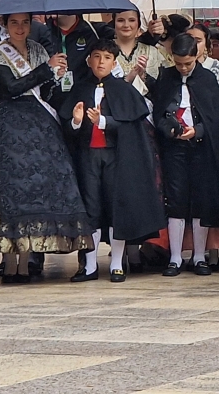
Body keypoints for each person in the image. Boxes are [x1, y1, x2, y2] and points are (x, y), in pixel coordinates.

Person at [0, 13, 92, 281]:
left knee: (34, 190)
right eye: (13, 23)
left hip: (39, 126)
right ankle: (9, 260)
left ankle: (25, 262)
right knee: (8, 188)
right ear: (4, 24)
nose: (20, 28)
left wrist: (56, 76)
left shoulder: (38, 49)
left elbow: (45, 91)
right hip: (7, 124)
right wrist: (45, 70)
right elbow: (10, 88)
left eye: (24, 23)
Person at [62, 39, 166, 283]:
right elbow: (68, 129)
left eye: (107, 57)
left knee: (115, 207)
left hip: (115, 157)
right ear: (89, 60)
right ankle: (89, 265)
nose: (101, 62)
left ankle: (117, 263)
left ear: (114, 61)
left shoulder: (124, 89)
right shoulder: (79, 89)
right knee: (91, 209)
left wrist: (103, 122)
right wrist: (76, 121)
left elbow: (131, 126)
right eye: (96, 56)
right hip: (88, 156)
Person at [149, 33, 219, 277]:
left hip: (202, 146)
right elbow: (159, 112)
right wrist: (170, 129)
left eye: (188, 63)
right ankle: (175, 257)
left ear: (197, 56)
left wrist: (198, 130)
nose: (183, 68)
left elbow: (215, 116)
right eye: (179, 63)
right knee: (176, 199)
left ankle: (199, 256)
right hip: (174, 148)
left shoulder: (206, 78)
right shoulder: (166, 77)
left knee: (200, 200)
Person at [112, 9, 164, 94]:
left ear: (138, 24)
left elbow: (161, 88)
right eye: (120, 20)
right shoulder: (103, 51)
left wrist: (143, 77)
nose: (126, 25)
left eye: (132, 20)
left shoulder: (153, 52)